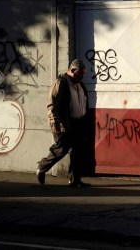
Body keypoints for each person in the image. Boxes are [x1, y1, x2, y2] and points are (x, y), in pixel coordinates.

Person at [36, 59, 91, 187]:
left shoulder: (80, 85)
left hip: (79, 123)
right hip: (65, 123)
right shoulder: (61, 83)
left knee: (78, 151)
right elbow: (52, 104)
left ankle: (74, 180)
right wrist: (55, 122)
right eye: (79, 74)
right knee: (61, 149)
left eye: (83, 74)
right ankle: (42, 167)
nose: (81, 77)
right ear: (72, 71)